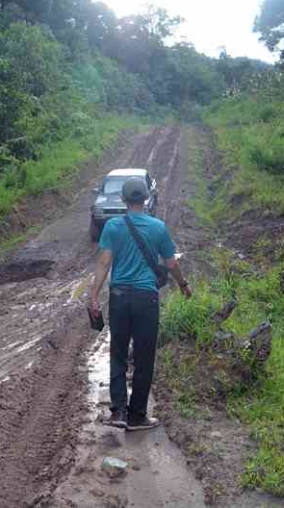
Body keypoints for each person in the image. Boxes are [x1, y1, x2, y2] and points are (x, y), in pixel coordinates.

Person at [89, 178, 193, 431]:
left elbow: (104, 263)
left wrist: (93, 296)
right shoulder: (158, 227)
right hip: (147, 298)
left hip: (120, 297)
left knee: (119, 353)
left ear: (124, 200)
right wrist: (183, 285)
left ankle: (118, 413)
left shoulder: (113, 226)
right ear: (146, 199)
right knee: (145, 357)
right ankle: (137, 415)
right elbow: (171, 264)